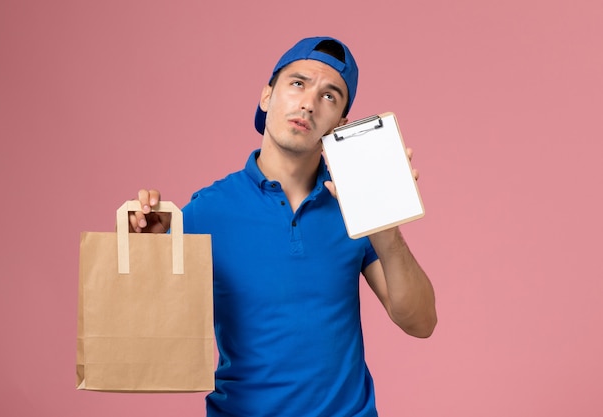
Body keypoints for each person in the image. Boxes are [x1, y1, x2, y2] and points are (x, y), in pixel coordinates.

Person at [130, 36, 437, 416]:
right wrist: (148, 254)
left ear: (339, 125)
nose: (308, 103)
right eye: (298, 83)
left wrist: (386, 228)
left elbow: (421, 322)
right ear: (266, 97)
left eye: (329, 96)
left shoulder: (353, 204)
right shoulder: (204, 212)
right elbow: (154, 340)